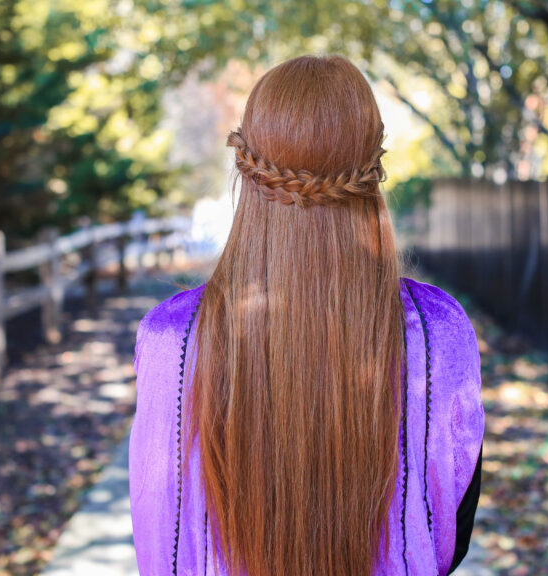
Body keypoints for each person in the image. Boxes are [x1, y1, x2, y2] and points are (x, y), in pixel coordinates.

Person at [129, 54, 485, 576]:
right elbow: (451, 534)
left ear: (245, 170)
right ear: (374, 170)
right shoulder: (437, 332)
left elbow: (158, 529)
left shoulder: (172, 339)